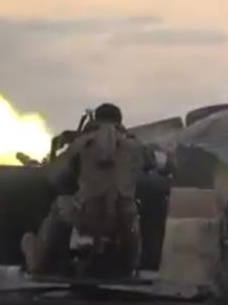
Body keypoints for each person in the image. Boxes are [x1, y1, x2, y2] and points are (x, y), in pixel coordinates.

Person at [21, 103, 148, 276]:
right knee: (133, 214)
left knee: (60, 204)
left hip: (86, 216)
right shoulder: (134, 146)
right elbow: (157, 163)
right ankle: (129, 267)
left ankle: (39, 262)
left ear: (96, 119)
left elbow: (55, 176)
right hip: (122, 220)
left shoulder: (82, 143)